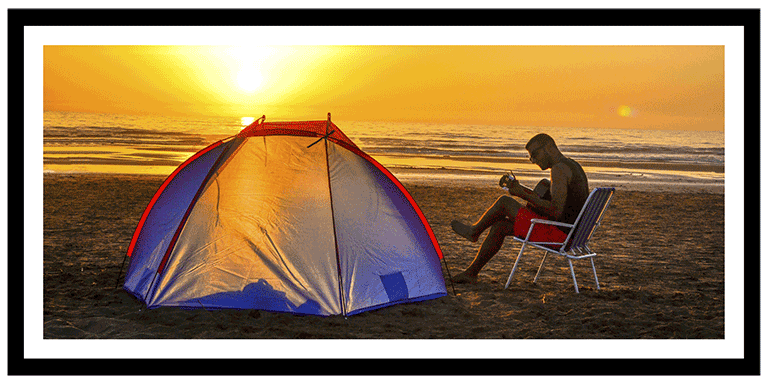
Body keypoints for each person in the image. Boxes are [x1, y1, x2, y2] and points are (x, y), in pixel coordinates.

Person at [450, 133, 589, 284]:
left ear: (549, 147)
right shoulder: (572, 165)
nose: (533, 160)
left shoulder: (559, 169)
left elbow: (555, 211)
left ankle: (474, 232)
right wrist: (522, 190)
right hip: (574, 235)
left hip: (561, 236)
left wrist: (522, 194)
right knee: (500, 227)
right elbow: (557, 205)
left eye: (535, 154)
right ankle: (471, 273)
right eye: (530, 157)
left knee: (505, 203)